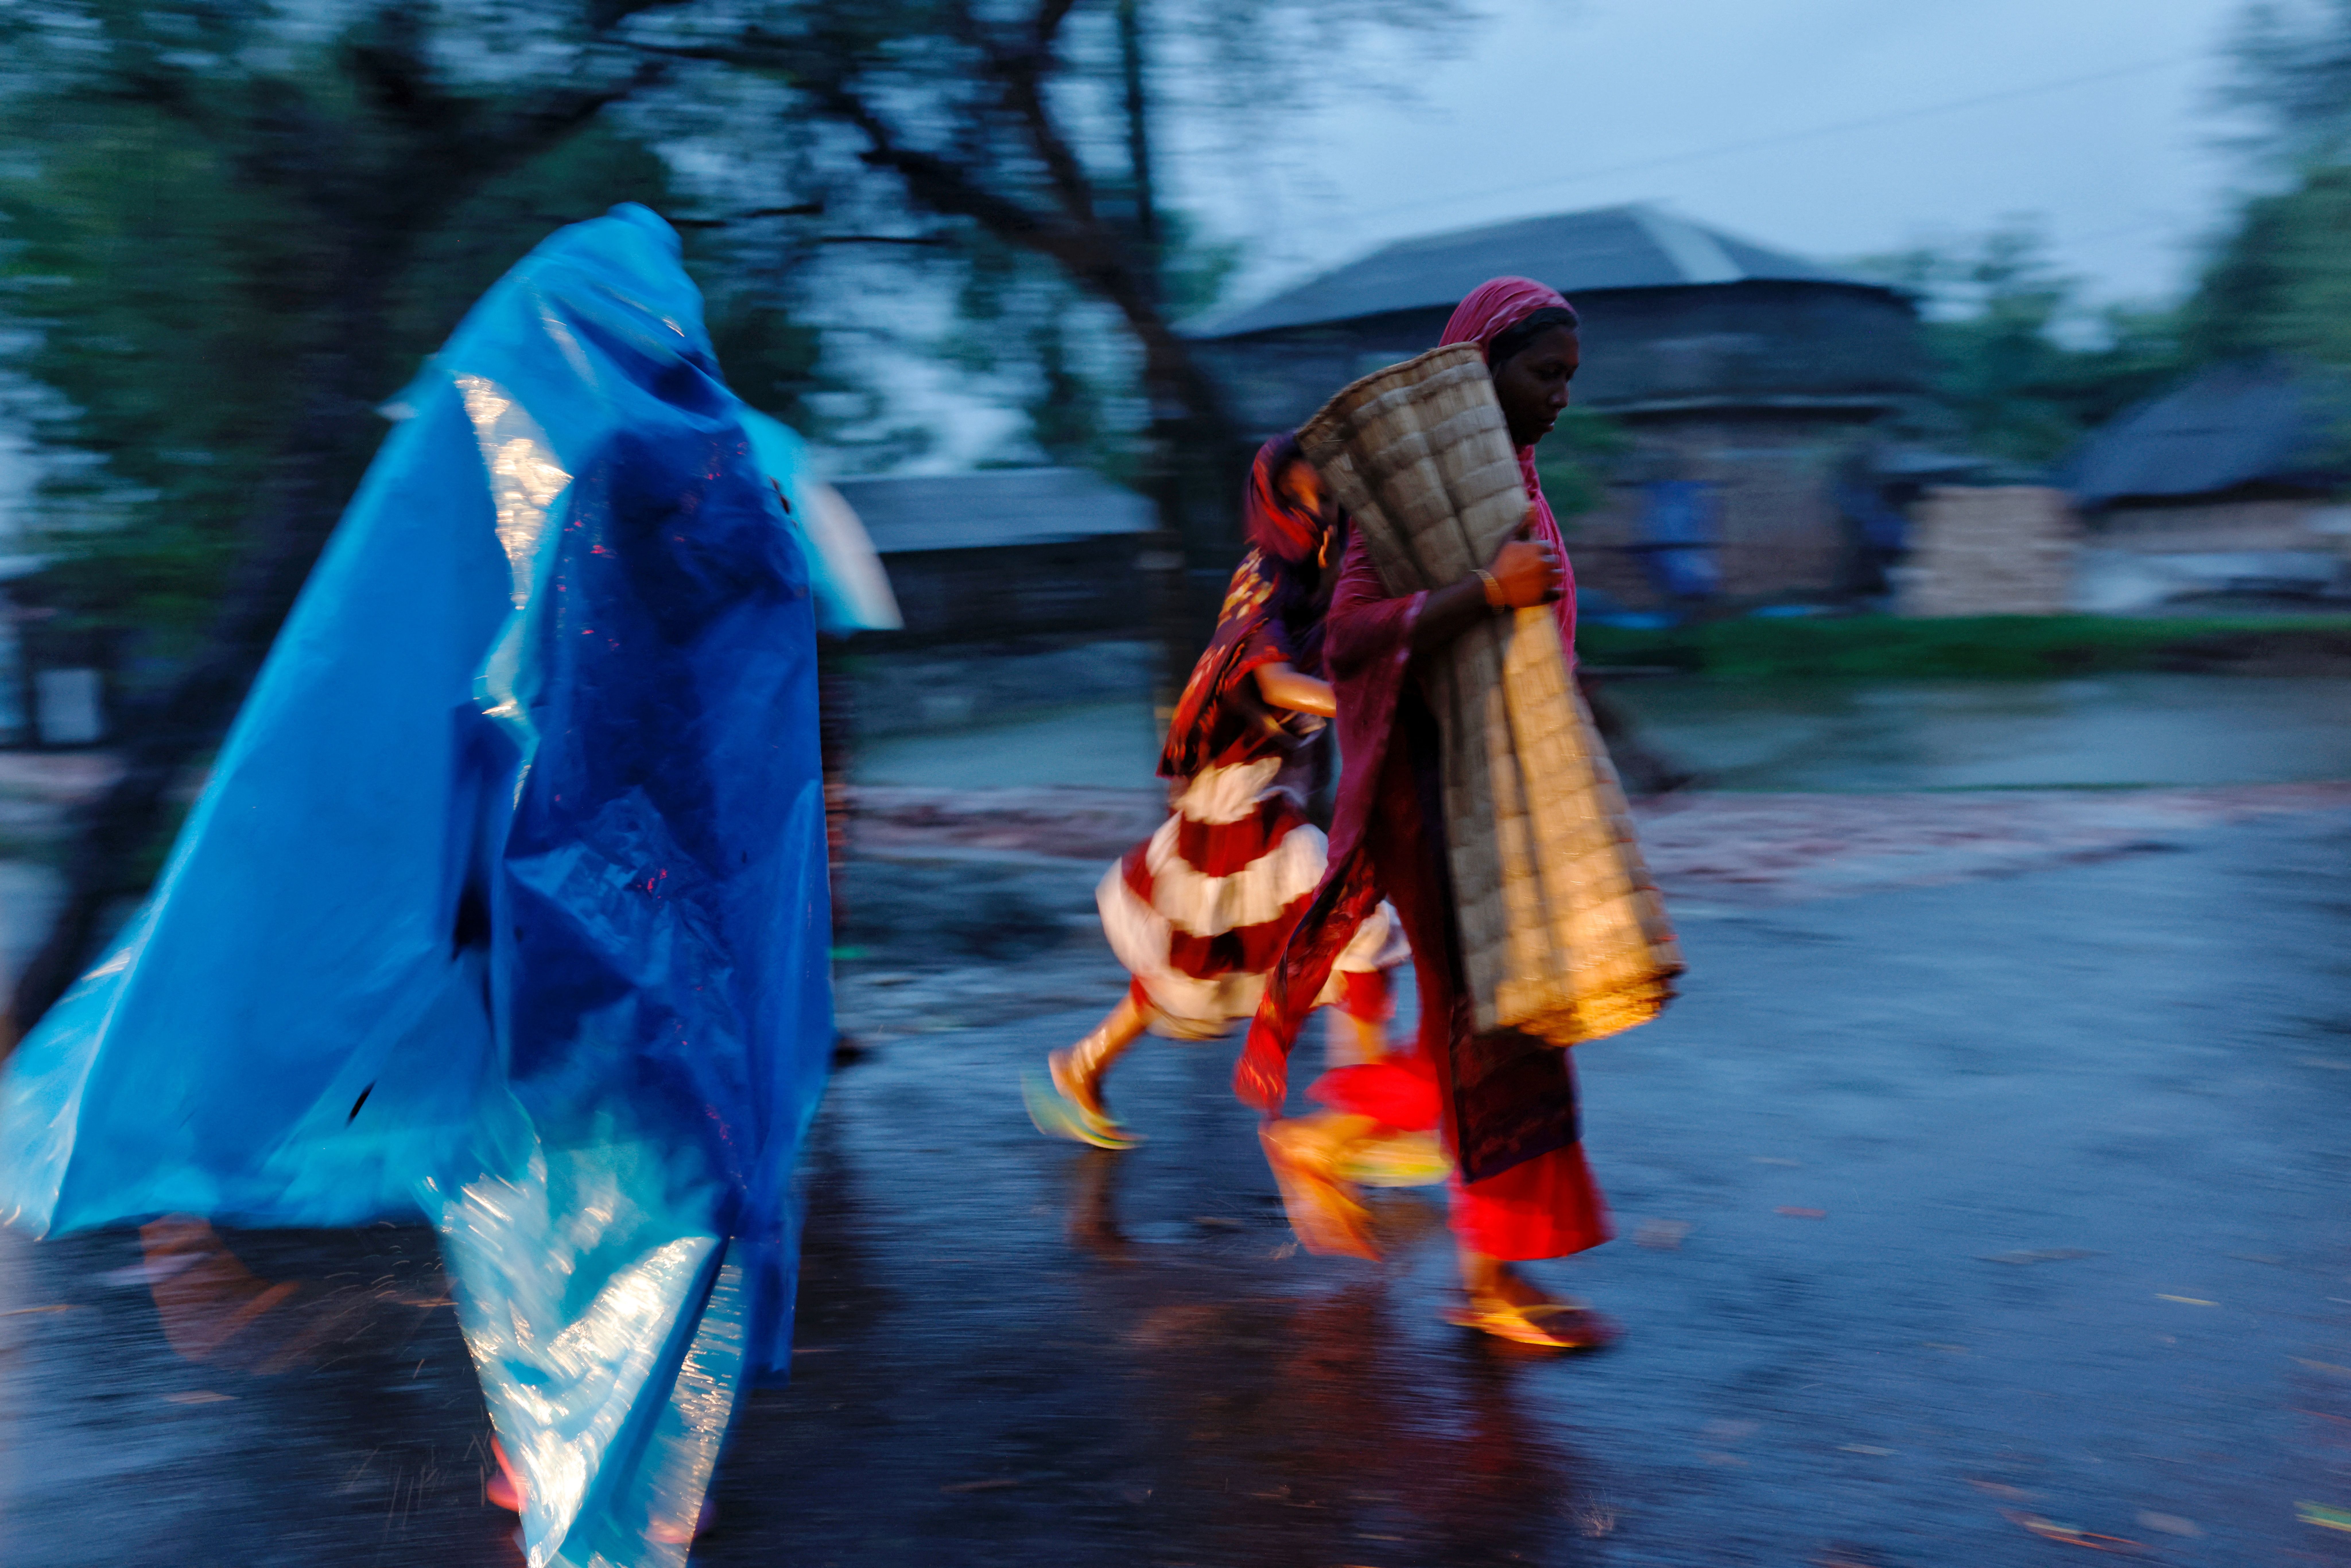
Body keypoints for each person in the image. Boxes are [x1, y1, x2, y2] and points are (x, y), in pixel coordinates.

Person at [1237, 277, 1626, 1351]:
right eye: (1545, 374)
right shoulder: (1413, 495)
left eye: (1569, 379)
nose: (1561, 397)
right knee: (1492, 1032)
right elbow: (1352, 637)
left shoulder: (1523, 484)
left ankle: (1344, 1148)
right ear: (1479, 370)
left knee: (1511, 1025)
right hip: (1432, 795)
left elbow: (1540, 647)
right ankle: (1489, 1280)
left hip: (1506, 793)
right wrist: (1480, 595)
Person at [1026, 435, 1420, 1161]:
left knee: (1198, 960)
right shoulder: (1264, 573)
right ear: (1269, 504)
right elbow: (1273, 684)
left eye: (1324, 498)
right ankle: (1367, 1118)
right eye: (1297, 499)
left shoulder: (1316, 581)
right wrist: (1363, 703)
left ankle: (1081, 1067)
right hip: (1237, 797)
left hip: (1257, 790)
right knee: (1352, 928)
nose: (1315, 513)